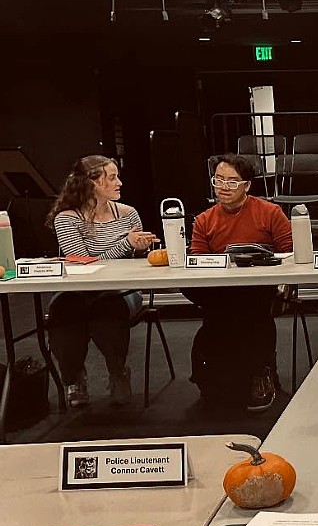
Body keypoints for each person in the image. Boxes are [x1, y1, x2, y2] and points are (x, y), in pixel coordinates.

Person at [45, 155, 158, 407]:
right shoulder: (67, 218)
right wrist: (125, 244)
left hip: (121, 289)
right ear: (91, 183)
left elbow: (140, 260)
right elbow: (84, 261)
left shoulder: (129, 214)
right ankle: (73, 376)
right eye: (112, 177)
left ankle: (118, 372)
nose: (119, 182)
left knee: (108, 310)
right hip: (79, 290)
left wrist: (140, 248)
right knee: (63, 311)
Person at [183, 153, 292, 412]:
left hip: (259, 286)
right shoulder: (204, 219)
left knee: (248, 306)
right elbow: (197, 260)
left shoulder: (270, 212)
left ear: (247, 185)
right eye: (218, 180)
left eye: (232, 181)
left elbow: (289, 252)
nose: (223, 187)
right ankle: (218, 377)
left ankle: (259, 374)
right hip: (219, 290)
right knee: (222, 305)